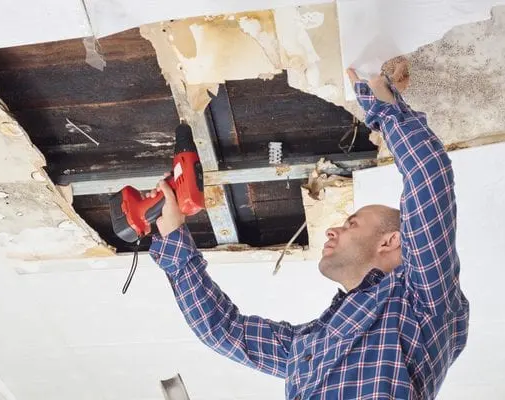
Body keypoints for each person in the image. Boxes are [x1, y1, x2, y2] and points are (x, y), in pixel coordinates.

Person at [145, 61, 469, 399]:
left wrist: (382, 107)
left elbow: (428, 178)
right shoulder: (311, 344)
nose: (332, 230)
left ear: (391, 241)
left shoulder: (423, 300)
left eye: (351, 224)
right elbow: (226, 331)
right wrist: (175, 240)